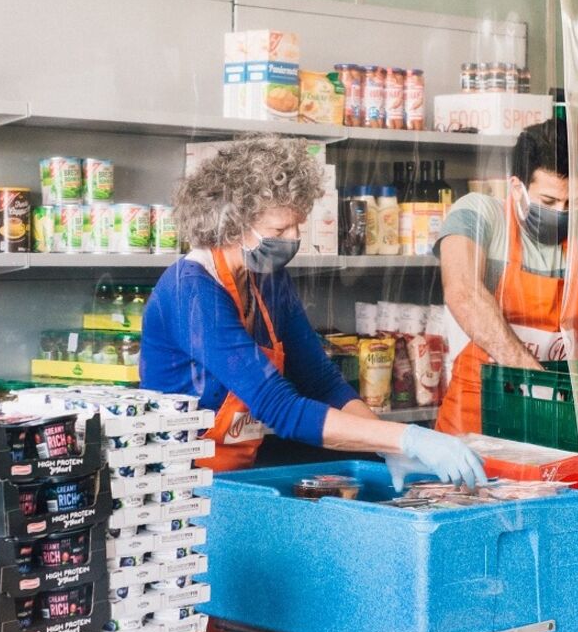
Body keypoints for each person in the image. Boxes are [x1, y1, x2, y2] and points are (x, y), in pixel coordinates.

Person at [141, 134, 486, 484]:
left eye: (297, 225)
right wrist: (407, 437)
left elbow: (321, 381)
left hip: (235, 479)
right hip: (174, 489)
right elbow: (278, 406)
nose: (292, 239)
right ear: (232, 223)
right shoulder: (191, 291)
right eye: (279, 228)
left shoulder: (269, 281)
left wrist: (387, 446)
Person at [435, 118, 578, 435]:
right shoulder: (478, 213)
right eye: (549, 202)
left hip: (557, 417)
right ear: (517, 188)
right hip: (476, 420)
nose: (562, 212)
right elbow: (463, 293)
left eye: (572, 202)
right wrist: (534, 381)